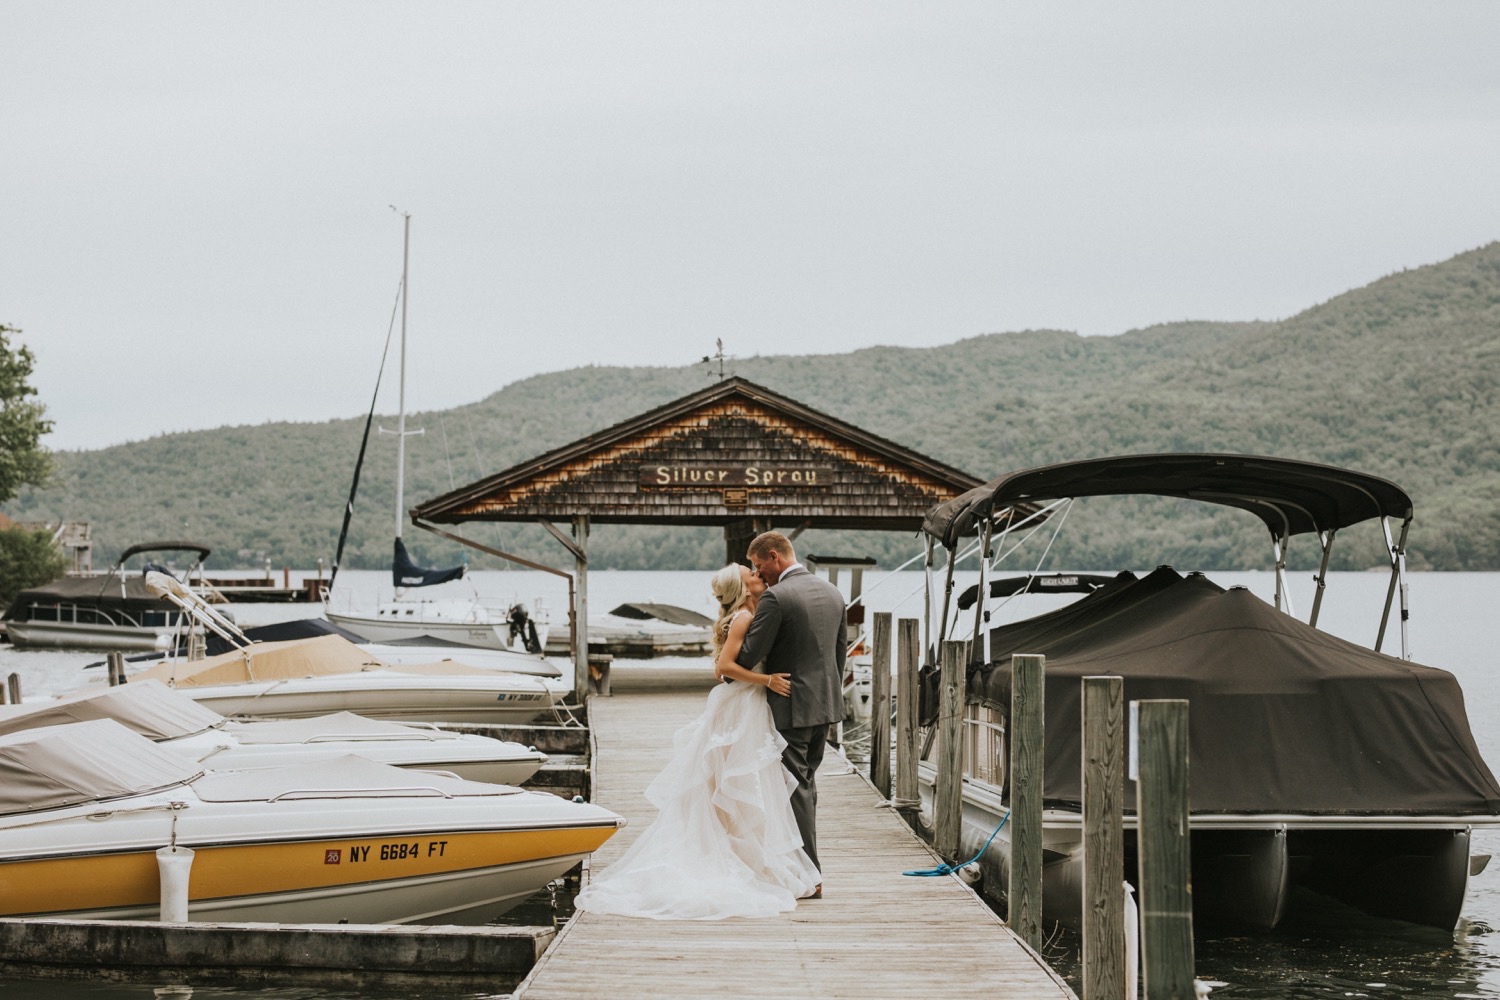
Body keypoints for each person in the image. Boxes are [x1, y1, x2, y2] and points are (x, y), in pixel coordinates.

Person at [573, 563, 821, 920]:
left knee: (735, 785)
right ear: (742, 583)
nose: (755, 572)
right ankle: (730, 859)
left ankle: (739, 856)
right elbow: (724, 668)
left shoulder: (746, 614)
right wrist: (766, 680)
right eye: (748, 570)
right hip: (741, 707)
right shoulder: (743, 619)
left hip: (742, 706)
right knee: (733, 783)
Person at [735, 531, 847, 899]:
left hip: (791, 706)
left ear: (773, 557)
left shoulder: (777, 597)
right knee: (806, 787)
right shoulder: (832, 592)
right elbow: (839, 654)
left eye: (758, 566)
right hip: (825, 706)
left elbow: (748, 656)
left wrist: (736, 627)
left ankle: (809, 875)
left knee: (795, 790)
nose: (758, 573)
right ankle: (802, 868)